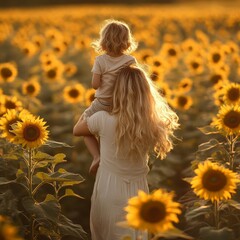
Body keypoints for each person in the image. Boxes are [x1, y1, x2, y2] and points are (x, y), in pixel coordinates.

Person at [73, 65, 179, 240]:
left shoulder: (102, 120)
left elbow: (77, 129)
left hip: (109, 189)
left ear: (115, 92)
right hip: (139, 192)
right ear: (146, 93)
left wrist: (98, 101)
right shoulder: (151, 124)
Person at [82, 19, 137, 175]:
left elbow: (95, 84)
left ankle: (96, 156)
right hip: (122, 104)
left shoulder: (100, 60)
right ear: (126, 41)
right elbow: (135, 81)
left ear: (104, 40)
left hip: (102, 103)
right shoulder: (130, 60)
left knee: (85, 128)